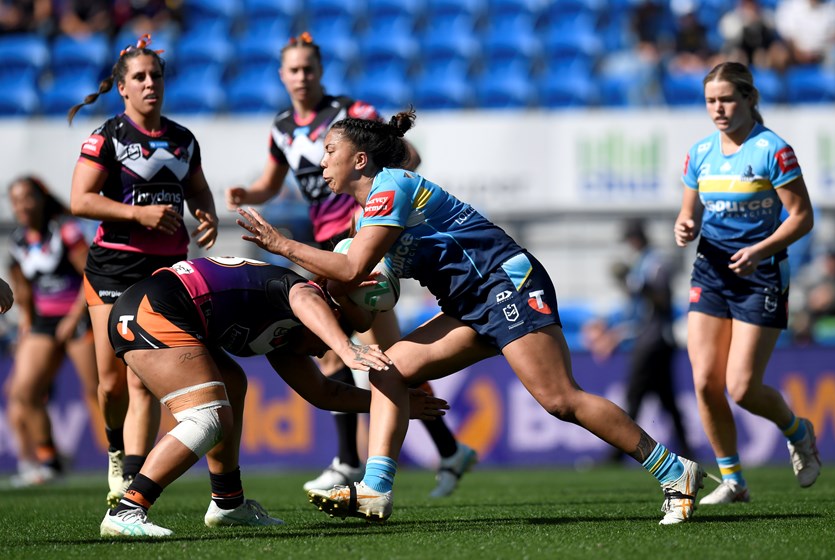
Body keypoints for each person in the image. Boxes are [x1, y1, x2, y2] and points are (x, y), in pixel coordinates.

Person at [237, 108, 705, 526]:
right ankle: (376, 490)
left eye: (329, 151)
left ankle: (674, 470)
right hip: (467, 303)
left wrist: (282, 246)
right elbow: (366, 306)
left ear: (360, 159)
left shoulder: (391, 186)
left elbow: (353, 266)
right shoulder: (364, 221)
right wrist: (343, 294)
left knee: (560, 400)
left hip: (505, 283)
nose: (321, 162)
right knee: (387, 369)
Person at [225, 32, 476, 498]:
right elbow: (271, 183)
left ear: (321, 71)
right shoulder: (281, 126)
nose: (302, 77)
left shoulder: (350, 113)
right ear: (281, 76)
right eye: (293, 70)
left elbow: (406, 156)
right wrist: (248, 194)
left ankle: (349, 460)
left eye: (309, 68)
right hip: (329, 247)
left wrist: (373, 211)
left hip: (360, 247)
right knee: (380, 354)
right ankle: (447, 449)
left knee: (340, 348)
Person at [98, 256, 447, 537]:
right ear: (327, 317)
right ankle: (128, 509)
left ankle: (228, 503)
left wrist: (394, 404)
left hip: (162, 310)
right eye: (328, 337)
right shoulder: (302, 294)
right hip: (153, 309)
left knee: (232, 386)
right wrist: (346, 348)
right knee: (207, 416)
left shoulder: (288, 333)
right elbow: (304, 297)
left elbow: (323, 393)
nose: (323, 350)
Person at [67, 33, 219, 508]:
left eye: (156, 75)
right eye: (139, 77)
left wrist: (208, 213)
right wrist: (139, 215)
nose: (150, 83)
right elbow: (80, 200)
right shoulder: (106, 137)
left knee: (141, 378)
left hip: (166, 271)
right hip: (113, 269)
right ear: (122, 88)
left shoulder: (183, 139)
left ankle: (132, 480)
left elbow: (198, 189)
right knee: (112, 383)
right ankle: (116, 450)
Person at [673, 61, 820, 505]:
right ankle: (733, 480)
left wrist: (759, 250)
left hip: (761, 276)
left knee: (741, 388)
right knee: (704, 382)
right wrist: (684, 225)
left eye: (726, 99)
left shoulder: (772, 150)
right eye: (710, 101)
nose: (718, 109)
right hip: (710, 273)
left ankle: (797, 430)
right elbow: (689, 214)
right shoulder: (700, 153)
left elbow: (802, 217)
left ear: (749, 98)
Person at [4, 176, 100, 487]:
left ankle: (124, 457)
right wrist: (25, 327)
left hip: (78, 318)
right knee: (24, 392)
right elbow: (24, 293)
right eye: (15, 200)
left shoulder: (66, 231)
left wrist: (73, 318)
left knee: (99, 391)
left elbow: (90, 275)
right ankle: (49, 461)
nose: (21, 205)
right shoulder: (18, 242)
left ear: (41, 199)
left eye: (27, 197)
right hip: (44, 323)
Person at [584, 219, 693, 463]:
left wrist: (637, 284)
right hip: (649, 339)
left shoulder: (655, 263)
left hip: (654, 341)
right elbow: (636, 311)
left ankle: (617, 454)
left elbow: (661, 301)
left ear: (637, 239)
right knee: (667, 402)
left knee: (634, 398)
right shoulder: (641, 263)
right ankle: (688, 451)